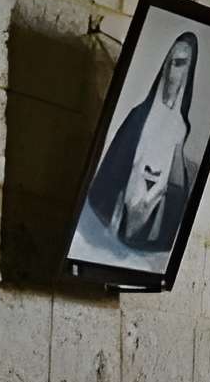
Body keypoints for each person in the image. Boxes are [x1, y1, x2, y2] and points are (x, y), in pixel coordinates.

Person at [87, 29, 203, 258]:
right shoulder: (139, 115)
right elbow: (114, 167)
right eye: (170, 62)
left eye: (180, 63)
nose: (172, 70)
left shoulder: (180, 128)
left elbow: (176, 187)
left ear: (188, 70)